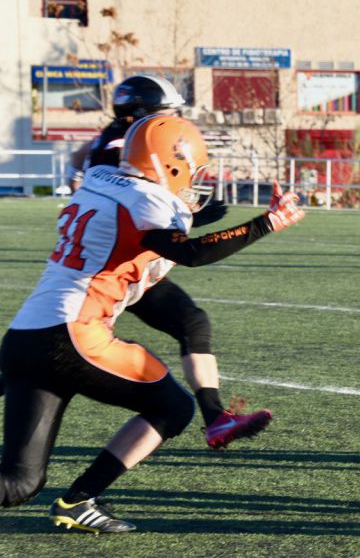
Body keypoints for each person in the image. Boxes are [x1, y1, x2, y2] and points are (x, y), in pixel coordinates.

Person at [1, 114, 307, 533]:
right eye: (191, 170)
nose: (195, 180)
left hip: (24, 337)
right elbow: (191, 253)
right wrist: (267, 222)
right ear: (171, 164)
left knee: (19, 482)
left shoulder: (100, 178)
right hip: (75, 334)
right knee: (173, 407)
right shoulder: (148, 200)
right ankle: (80, 500)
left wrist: (191, 218)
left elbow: (133, 227)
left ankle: (78, 503)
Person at [62, 74, 273, 450]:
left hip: (129, 264)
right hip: (110, 270)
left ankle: (216, 418)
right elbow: (140, 211)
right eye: (167, 112)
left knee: (192, 323)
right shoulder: (123, 145)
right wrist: (194, 218)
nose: (174, 120)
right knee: (45, 357)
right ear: (144, 111)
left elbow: (98, 177)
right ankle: (211, 418)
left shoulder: (118, 138)